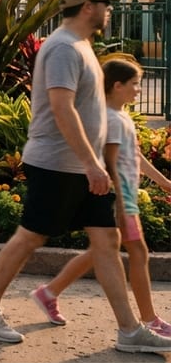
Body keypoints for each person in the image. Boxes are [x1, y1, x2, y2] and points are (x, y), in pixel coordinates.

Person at [0, 0, 171, 353]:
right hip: (57, 164)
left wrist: (93, 165)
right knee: (31, 236)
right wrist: (92, 164)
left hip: (81, 166)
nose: (109, 10)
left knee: (107, 241)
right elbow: (61, 109)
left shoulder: (82, 45)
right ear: (88, 7)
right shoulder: (63, 48)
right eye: (105, 4)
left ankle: (129, 330)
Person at [30, 58, 171, 335]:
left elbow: (135, 156)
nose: (138, 90)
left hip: (123, 195)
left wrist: (164, 182)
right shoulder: (112, 120)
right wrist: (121, 203)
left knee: (100, 252)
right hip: (120, 196)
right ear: (117, 86)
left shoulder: (118, 115)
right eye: (134, 85)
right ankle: (150, 319)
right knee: (138, 253)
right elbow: (110, 161)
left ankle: (49, 292)